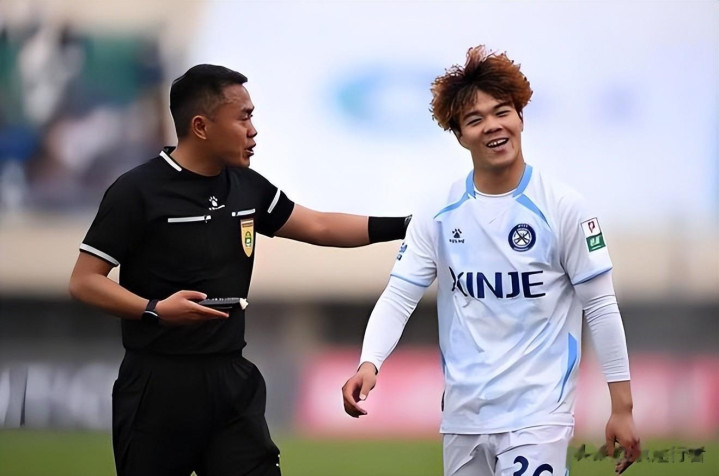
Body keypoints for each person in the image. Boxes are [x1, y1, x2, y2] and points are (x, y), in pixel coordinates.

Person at [68, 64, 409, 476]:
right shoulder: (136, 191)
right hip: (157, 384)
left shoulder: (246, 186)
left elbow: (319, 225)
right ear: (201, 126)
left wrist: (409, 226)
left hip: (230, 379)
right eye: (243, 117)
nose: (253, 130)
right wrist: (155, 309)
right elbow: (84, 281)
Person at [342, 45, 641, 476]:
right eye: (475, 119)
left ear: (521, 116)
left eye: (502, 112)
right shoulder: (438, 213)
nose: (492, 126)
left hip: (539, 416)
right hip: (462, 419)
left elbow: (600, 305)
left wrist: (622, 407)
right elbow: (399, 296)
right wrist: (369, 361)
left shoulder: (564, 207)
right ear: (459, 134)